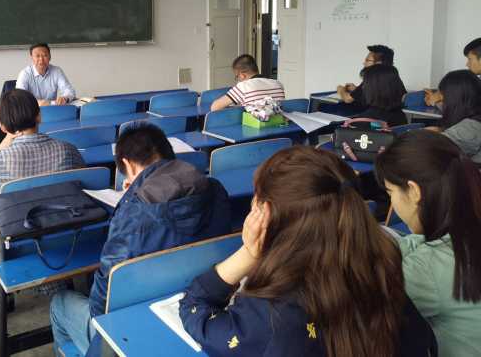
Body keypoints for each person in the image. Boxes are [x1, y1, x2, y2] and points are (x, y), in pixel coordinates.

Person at [180, 146, 437, 357]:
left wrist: (249, 253)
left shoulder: (273, 314)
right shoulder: (384, 263)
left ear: (264, 213)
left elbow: (196, 309)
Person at [49, 122, 232, 354]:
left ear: (127, 163)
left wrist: (130, 203)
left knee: (59, 303)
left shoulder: (134, 212)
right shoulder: (215, 189)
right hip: (198, 305)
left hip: (129, 333)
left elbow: (102, 303)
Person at [0, 89, 85, 330]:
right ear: (39, 116)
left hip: (16, 245)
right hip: (68, 238)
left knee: (0, 234)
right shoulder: (67, 150)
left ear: (2, 127)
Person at [375, 130, 481, 356]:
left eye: (391, 192)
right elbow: (419, 243)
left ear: (414, 191)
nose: (392, 201)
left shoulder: (426, 269)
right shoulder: (466, 233)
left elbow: (362, 309)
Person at [426, 70, 481, 163]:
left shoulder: (469, 129)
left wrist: (424, 134)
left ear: (454, 98)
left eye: (443, 95)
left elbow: (428, 150)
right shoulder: (475, 114)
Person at [210, 55, 285, 111]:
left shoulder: (243, 86)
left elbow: (215, 107)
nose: (237, 80)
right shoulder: (278, 83)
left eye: (237, 77)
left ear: (242, 75)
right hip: (279, 125)